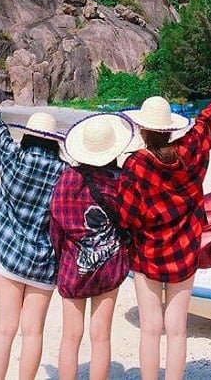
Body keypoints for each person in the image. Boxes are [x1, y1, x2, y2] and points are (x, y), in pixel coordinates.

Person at [117, 49, 211, 380]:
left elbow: (128, 217)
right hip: (185, 248)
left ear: (143, 130)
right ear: (170, 129)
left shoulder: (136, 164)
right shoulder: (190, 150)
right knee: (177, 329)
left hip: (147, 252)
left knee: (150, 329)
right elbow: (209, 120)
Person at [0, 58, 67, 380]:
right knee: (33, 332)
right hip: (43, 262)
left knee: (4, 329)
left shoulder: (14, 159)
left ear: (30, 136)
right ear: (53, 141)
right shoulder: (65, 173)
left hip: (10, 256)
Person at [49, 113, 135, 380]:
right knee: (101, 337)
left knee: (70, 337)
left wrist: (62, 257)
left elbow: (56, 226)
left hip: (73, 267)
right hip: (110, 266)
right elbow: (131, 220)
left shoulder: (67, 179)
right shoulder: (122, 180)